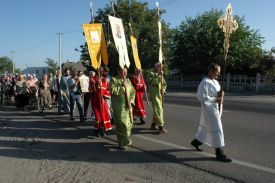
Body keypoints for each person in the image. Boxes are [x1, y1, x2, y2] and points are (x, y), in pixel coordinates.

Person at [190, 63, 232, 162]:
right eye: (216, 72)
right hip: (209, 109)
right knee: (217, 129)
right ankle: (219, 153)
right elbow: (201, 97)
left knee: (207, 126)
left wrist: (221, 94)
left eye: (219, 72)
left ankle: (196, 142)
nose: (218, 74)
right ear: (210, 71)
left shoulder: (216, 82)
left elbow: (217, 95)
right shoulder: (204, 82)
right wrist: (215, 99)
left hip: (216, 108)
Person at [110, 66, 135, 150]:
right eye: (123, 72)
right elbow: (112, 90)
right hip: (119, 107)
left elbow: (133, 92)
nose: (125, 73)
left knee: (129, 124)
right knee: (121, 124)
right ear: (119, 71)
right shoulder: (113, 80)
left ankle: (125, 139)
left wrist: (131, 101)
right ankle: (122, 142)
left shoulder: (128, 80)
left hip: (128, 107)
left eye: (126, 72)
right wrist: (121, 86)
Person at [90, 66, 112, 137]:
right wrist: (96, 84)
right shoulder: (94, 79)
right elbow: (91, 89)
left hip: (103, 101)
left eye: (101, 71)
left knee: (103, 116)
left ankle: (101, 130)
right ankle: (97, 130)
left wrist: (106, 95)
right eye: (99, 71)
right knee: (98, 117)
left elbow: (108, 89)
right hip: (96, 101)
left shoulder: (105, 80)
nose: (100, 72)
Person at [148, 62, 167, 133]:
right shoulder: (151, 74)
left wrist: (164, 89)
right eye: (158, 67)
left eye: (161, 67)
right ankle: (160, 126)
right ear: (155, 67)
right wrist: (159, 76)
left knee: (157, 110)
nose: (160, 68)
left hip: (160, 95)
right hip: (154, 94)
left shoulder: (161, 75)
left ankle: (153, 125)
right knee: (158, 110)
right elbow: (152, 82)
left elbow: (164, 84)